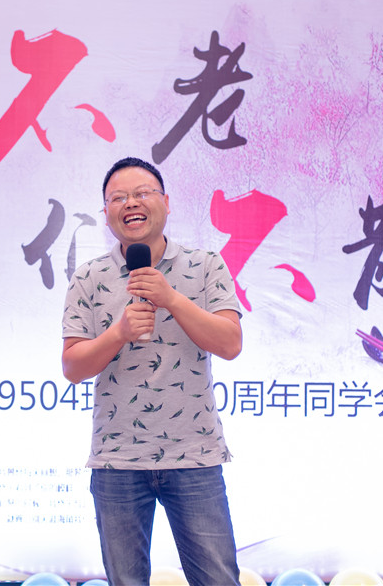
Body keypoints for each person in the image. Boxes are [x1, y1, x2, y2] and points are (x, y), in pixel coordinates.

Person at [62, 157, 243, 586]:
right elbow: (72, 367)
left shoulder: (206, 264)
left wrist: (172, 299)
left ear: (166, 202)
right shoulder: (89, 276)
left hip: (195, 453)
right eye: (118, 198)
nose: (131, 203)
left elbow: (230, 344)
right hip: (117, 459)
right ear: (106, 212)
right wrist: (118, 333)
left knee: (218, 579)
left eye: (142, 193)